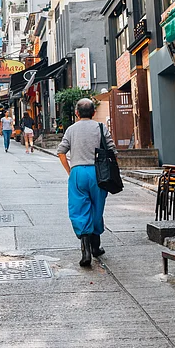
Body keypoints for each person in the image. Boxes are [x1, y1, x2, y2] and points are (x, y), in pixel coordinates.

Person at [57, 98, 116, 267]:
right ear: (94, 113)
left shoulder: (71, 129)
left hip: (77, 172)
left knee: (79, 209)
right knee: (97, 208)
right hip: (98, 173)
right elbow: (112, 150)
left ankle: (86, 251)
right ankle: (96, 246)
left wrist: (70, 171)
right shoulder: (100, 127)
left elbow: (61, 152)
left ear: (76, 113)